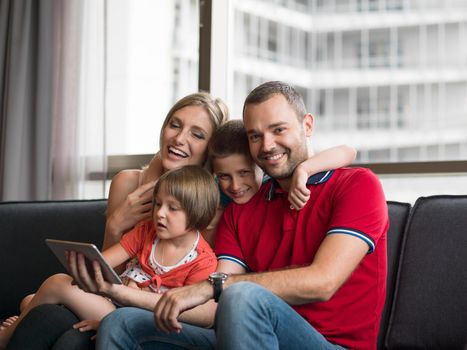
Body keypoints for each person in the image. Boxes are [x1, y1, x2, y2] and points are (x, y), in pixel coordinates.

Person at [97, 81, 388, 350]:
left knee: (241, 295)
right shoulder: (241, 211)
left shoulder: (357, 186)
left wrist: (214, 286)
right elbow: (216, 296)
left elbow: (323, 282)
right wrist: (125, 294)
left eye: (279, 130)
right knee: (121, 324)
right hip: (251, 334)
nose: (267, 145)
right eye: (255, 136)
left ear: (307, 125)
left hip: (331, 345)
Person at [6, 92, 229, 350]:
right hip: (113, 295)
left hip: (145, 313)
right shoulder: (127, 183)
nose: (179, 138)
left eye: (197, 134)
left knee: (54, 319)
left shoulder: (211, 214)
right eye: (175, 124)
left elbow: (201, 302)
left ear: (210, 150)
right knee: (44, 311)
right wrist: (116, 224)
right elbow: (108, 271)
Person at [0, 165, 220, 350]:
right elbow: (101, 263)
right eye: (158, 204)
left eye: (173, 208)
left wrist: (111, 317)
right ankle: (40, 307)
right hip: (112, 303)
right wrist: (85, 268)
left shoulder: (203, 261)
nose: (160, 213)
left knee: (55, 284)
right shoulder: (147, 231)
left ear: (197, 214)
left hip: (139, 318)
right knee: (31, 299)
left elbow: (181, 319)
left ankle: (5, 337)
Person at [208, 119, 357, 209]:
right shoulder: (215, 193)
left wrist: (304, 169)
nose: (235, 186)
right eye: (224, 176)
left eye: (244, 173)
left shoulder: (275, 183)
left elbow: (349, 151)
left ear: (260, 164)